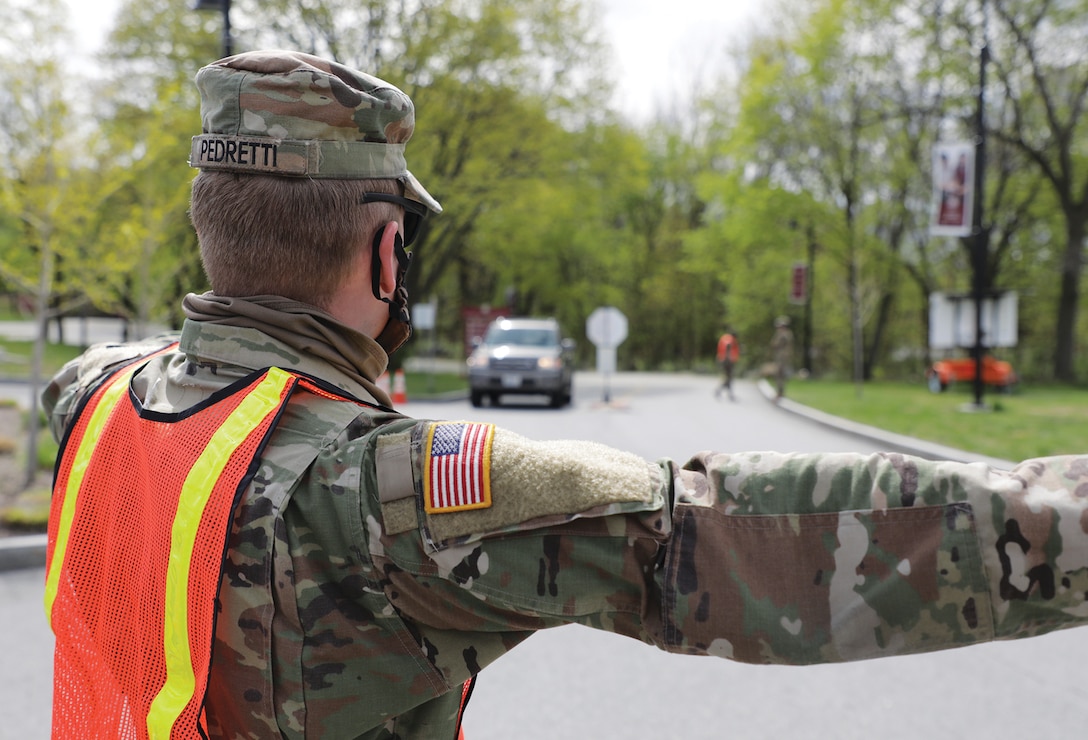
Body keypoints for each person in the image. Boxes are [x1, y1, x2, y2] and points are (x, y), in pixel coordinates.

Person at [42, 50, 1088, 740]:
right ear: (387, 250)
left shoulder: (93, 400)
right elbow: (739, 532)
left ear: (208, 226)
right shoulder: (381, 494)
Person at [770, 315, 794, 399]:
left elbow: (775, 344)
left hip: (782, 357)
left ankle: (780, 392)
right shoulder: (784, 334)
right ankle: (780, 392)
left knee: (779, 374)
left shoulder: (784, 334)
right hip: (780, 356)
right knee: (778, 374)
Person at [714, 327, 739, 400]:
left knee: (728, 378)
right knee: (729, 377)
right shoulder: (731, 340)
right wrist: (729, 358)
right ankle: (725, 392)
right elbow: (728, 347)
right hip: (727, 361)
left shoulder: (724, 337)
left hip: (722, 359)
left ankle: (727, 393)